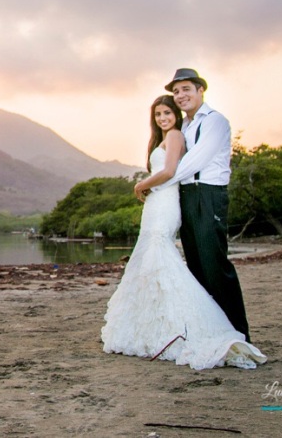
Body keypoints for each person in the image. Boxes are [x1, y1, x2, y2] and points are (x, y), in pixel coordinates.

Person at [102, 94, 265, 369]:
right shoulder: (171, 135)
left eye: (167, 113)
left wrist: (140, 186)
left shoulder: (176, 135)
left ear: (176, 114)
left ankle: (206, 326)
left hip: (165, 200)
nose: (163, 118)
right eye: (158, 115)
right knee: (152, 259)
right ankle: (154, 323)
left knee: (162, 256)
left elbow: (169, 170)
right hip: (158, 201)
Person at [136, 68, 251, 341]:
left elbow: (192, 163)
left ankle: (238, 334)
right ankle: (210, 331)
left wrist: (153, 184)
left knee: (214, 264)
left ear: (201, 90)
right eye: (176, 91)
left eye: (186, 89)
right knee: (196, 268)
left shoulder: (215, 121)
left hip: (208, 194)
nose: (180, 95)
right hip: (186, 197)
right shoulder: (183, 126)